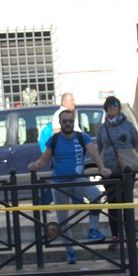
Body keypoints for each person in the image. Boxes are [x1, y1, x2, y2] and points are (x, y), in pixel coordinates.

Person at [28, 109, 110, 264]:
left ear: (74, 122)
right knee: (63, 219)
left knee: (96, 196)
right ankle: (70, 252)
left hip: (78, 180)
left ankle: (93, 230)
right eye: (64, 121)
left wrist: (102, 168)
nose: (67, 124)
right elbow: (44, 159)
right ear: (60, 123)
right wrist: (36, 165)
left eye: (70, 121)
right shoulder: (54, 139)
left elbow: (95, 154)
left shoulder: (82, 137)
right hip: (59, 183)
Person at [95, 96, 138, 250]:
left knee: (127, 203)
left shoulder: (128, 126)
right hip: (109, 171)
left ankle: (129, 237)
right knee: (113, 205)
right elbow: (100, 147)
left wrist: (127, 159)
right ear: (105, 108)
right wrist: (106, 163)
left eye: (115, 104)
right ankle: (115, 236)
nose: (112, 107)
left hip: (126, 171)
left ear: (119, 107)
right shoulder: (102, 128)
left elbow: (135, 144)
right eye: (109, 105)